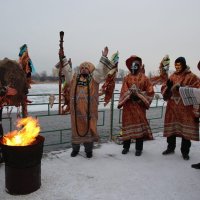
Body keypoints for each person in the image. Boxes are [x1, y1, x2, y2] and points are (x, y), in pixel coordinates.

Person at [60, 47, 118, 158]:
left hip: (89, 113)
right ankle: (75, 150)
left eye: (87, 68)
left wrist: (104, 57)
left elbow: (100, 70)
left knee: (89, 132)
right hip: (76, 113)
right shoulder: (74, 79)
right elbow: (67, 70)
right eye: (82, 68)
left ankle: (88, 151)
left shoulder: (94, 79)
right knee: (76, 131)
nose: (84, 69)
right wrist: (63, 57)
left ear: (90, 70)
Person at [161, 57, 200, 160]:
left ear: (184, 65)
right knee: (171, 130)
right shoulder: (172, 76)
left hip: (186, 109)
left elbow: (197, 90)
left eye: (179, 65)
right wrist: (169, 87)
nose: (177, 67)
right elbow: (165, 94)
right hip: (172, 108)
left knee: (185, 132)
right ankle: (170, 147)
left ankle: (185, 151)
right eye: (176, 65)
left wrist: (182, 88)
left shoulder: (192, 77)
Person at [117, 55, 154, 156]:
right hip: (128, 107)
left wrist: (139, 96)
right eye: (132, 65)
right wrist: (130, 95)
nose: (134, 67)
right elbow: (123, 90)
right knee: (127, 127)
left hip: (139, 107)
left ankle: (139, 149)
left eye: (136, 65)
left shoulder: (145, 78)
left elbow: (150, 91)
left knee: (139, 128)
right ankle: (126, 146)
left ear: (139, 66)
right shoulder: (126, 78)